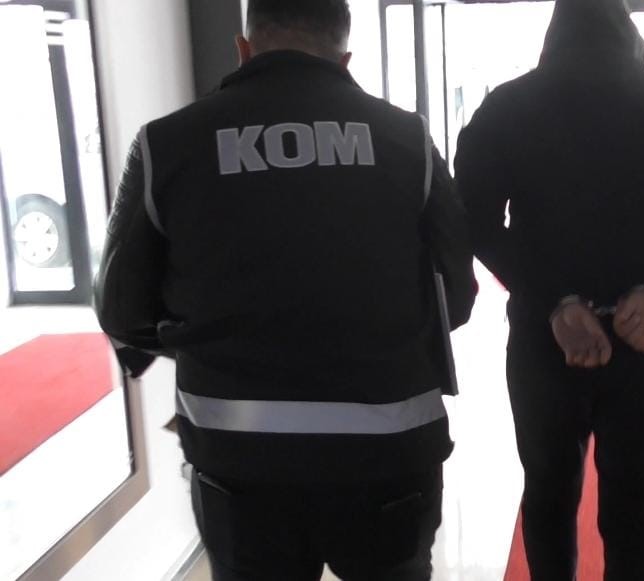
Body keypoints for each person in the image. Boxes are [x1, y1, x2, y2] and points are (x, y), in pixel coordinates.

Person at [94, 0, 475, 579]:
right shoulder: (408, 139)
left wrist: (195, 335)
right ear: (344, 59)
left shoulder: (165, 143)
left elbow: (121, 310)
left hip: (239, 458)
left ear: (244, 48)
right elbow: (458, 295)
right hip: (388, 452)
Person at [454, 0, 644, 578]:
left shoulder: (509, 107)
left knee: (548, 501)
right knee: (638, 521)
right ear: (629, 33)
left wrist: (555, 301)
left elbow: (474, 221)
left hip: (547, 337)